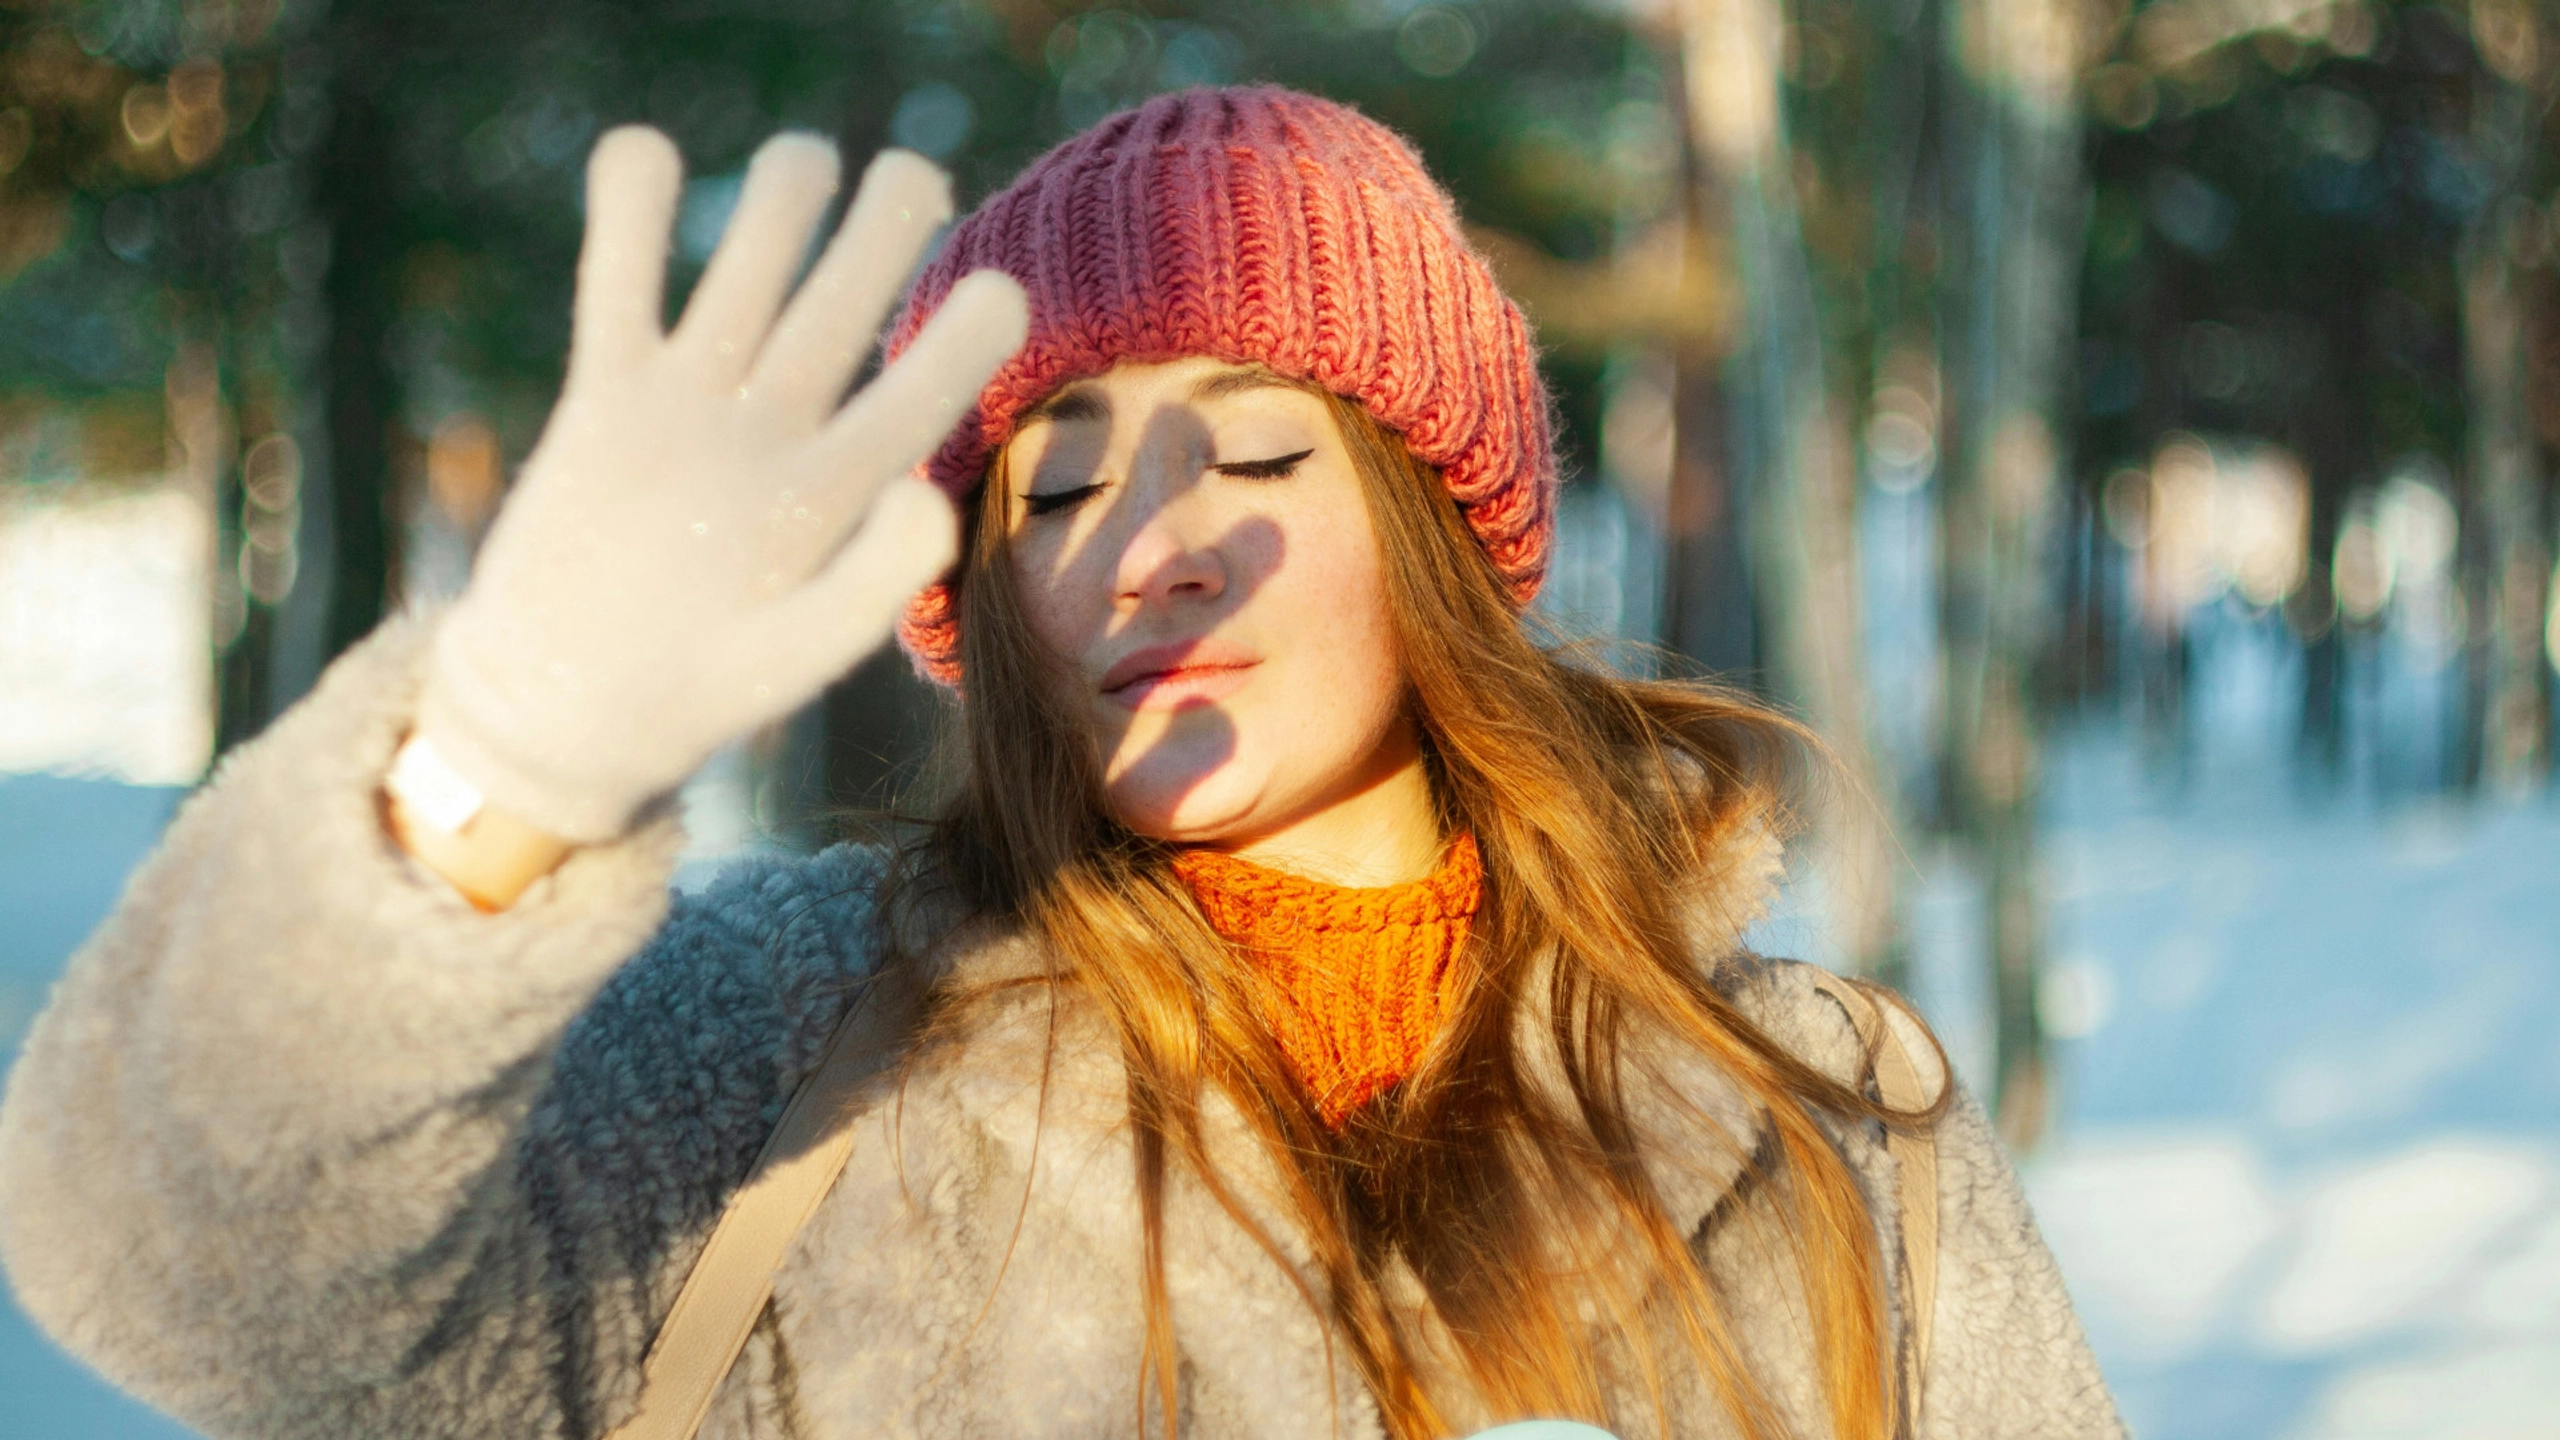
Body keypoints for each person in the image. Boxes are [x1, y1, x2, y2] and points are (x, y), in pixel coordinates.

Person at [0, 86, 2120, 1440]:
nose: (1145, 542)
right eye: (1050, 485)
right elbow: (160, 1263)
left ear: (1441, 534)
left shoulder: (1837, 1130)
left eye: (1260, 445)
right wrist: (485, 773)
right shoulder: (782, 1054)